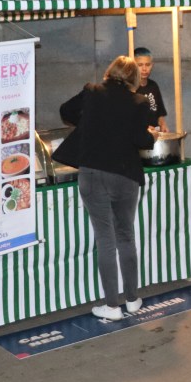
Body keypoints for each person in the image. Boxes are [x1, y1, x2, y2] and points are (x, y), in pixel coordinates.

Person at [59, 56, 157, 321]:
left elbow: (66, 111)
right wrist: (153, 136)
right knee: (126, 235)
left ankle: (112, 306)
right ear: (134, 78)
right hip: (125, 175)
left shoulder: (92, 92)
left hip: (93, 173)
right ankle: (132, 299)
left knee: (105, 239)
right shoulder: (139, 102)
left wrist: (90, 121)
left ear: (110, 72)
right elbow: (141, 140)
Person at [133, 47, 169, 132]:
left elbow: (160, 112)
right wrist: (144, 128)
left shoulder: (153, 86)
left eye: (148, 65)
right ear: (133, 66)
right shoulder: (130, 88)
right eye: (140, 65)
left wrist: (163, 124)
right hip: (137, 134)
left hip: (155, 133)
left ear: (152, 65)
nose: (144, 69)